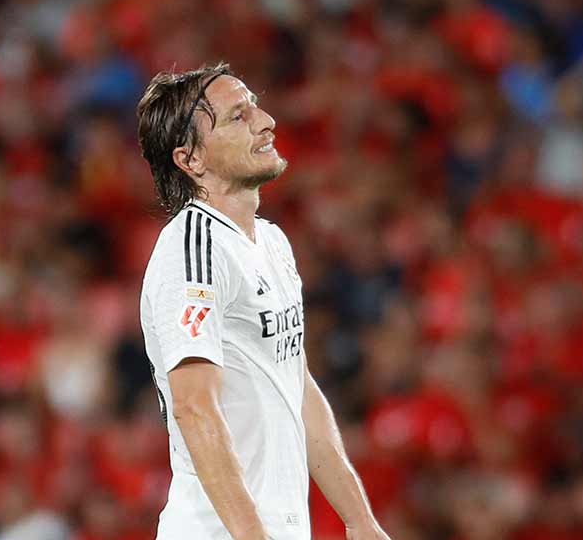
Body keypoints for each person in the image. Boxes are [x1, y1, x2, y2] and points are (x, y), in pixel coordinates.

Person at [135, 62, 391, 540]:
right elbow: (194, 407)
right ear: (191, 159)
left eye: (254, 106)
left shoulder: (271, 242)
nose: (266, 121)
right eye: (238, 116)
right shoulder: (192, 249)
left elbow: (297, 387)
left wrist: (360, 521)